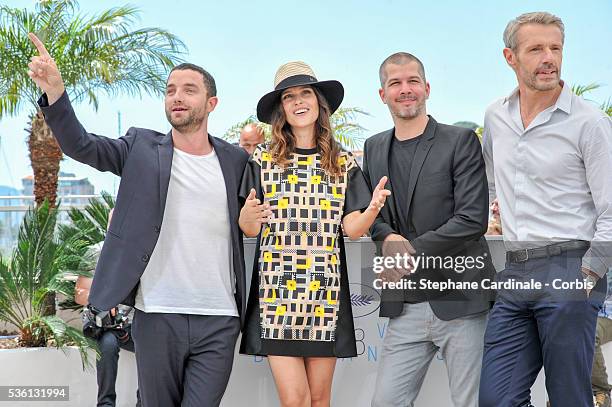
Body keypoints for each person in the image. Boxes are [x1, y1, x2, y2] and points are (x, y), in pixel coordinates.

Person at [27, 33, 249, 407]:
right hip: (157, 312)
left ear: (211, 103)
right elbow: (81, 145)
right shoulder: (141, 148)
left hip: (220, 317)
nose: (177, 96)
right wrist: (56, 93)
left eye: (189, 90)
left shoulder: (237, 161)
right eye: (170, 89)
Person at [479, 12, 612, 407]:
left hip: (570, 266)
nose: (548, 58)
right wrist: (495, 212)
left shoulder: (589, 123)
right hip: (516, 269)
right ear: (510, 57)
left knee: (569, 397)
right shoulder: (495, 116)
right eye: (536, 49)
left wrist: (588, 274)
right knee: (496, 400)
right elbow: (489, 179)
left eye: (555, 48)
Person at [238, 61, 389, 407]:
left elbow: (350, 229)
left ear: (319, 102)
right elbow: (250, 226)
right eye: (289, 96)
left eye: (305, 92)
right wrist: (247, 216)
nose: (298, 101)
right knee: (295, 400)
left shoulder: (342, 162)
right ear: (281, 109)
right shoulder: (262, 159)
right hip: (277, 295)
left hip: (326, 293)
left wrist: (372, 210)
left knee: (320, 400)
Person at [362, 52, 495, 407]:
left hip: (461, 299)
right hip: (405, 304)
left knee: (471, 402)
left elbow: (471, 219)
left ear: (427, 88)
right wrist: (386, 236)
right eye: (395, 83)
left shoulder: (460, 141)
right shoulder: (373, 147)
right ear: (382, 94)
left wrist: (407, 252)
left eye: (412, 82)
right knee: (386, 402)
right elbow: (368, 211)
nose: (405, 90)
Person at [75, 209, 141, 407]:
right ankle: (105, 403)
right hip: (104, 326)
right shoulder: (96, 252)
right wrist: (104, 301)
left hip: (136, 325)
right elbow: (79, 294)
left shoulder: (142, 254)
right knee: (108, 344)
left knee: (155, 346)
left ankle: (144, 401)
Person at [593, 288, 612, 407]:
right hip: (579, 313)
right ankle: (562, 393)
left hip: (608, 316)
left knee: (590, 333)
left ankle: (602, 392)